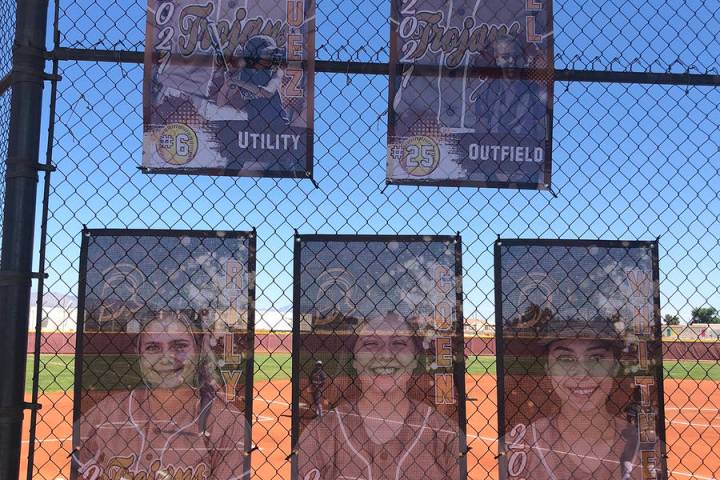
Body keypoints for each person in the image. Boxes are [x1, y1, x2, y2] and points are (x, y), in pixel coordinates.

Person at [72, 310, 247, 480]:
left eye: (179, 346)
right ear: (139, 354)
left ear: (198, 351)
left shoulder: (227, 423)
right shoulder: (105, 412)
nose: (167, 357)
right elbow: (78, 467)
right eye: (153, 347)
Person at [296, 311, 461, 480]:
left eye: (398, 343)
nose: (385, 355)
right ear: (354, 361)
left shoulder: (446, 434)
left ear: (414, 359)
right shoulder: (319, 433)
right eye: (371, 343)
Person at [511, 316, 643, 480]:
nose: (582, 373)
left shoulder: (646, 444)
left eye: (596, 358)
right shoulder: (521, 443)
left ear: (615, 367)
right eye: (565, 359)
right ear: (548, 369)